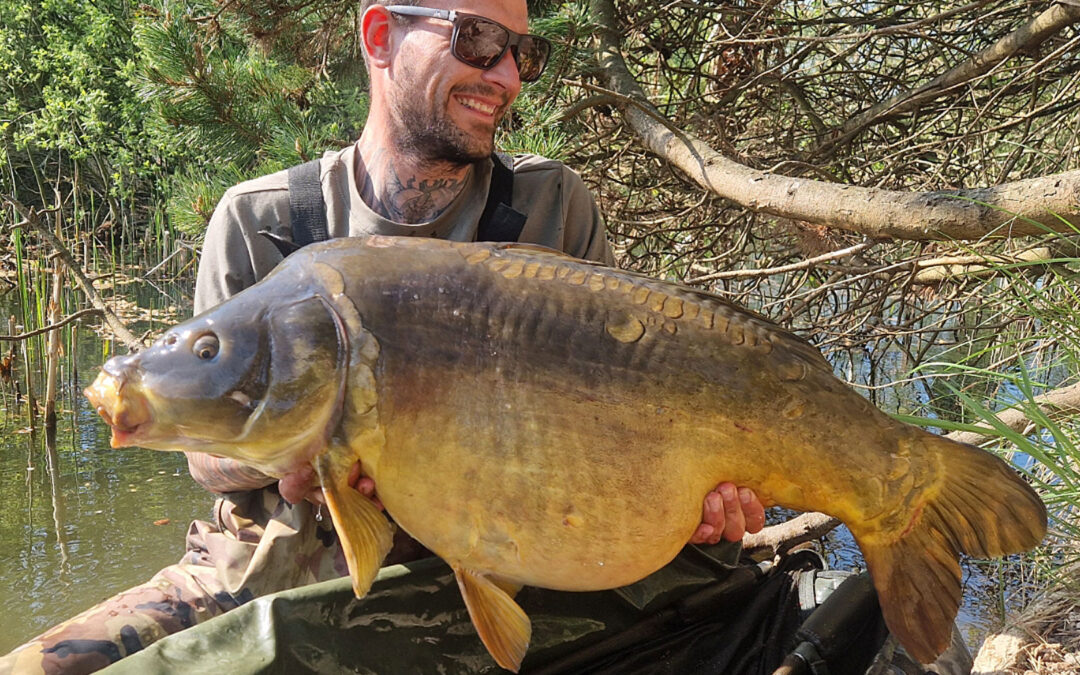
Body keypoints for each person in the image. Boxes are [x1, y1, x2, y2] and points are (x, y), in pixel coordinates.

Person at [0, 2, 764, 673]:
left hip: (489, 568)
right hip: (266, 574)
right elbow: (206, 456)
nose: (506, 76)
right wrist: (295, 452)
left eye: (524, 54)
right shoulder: (261, 218)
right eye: (477, 40)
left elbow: (615, 428)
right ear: (378, 35)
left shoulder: (554, 207)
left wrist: (697, 494)